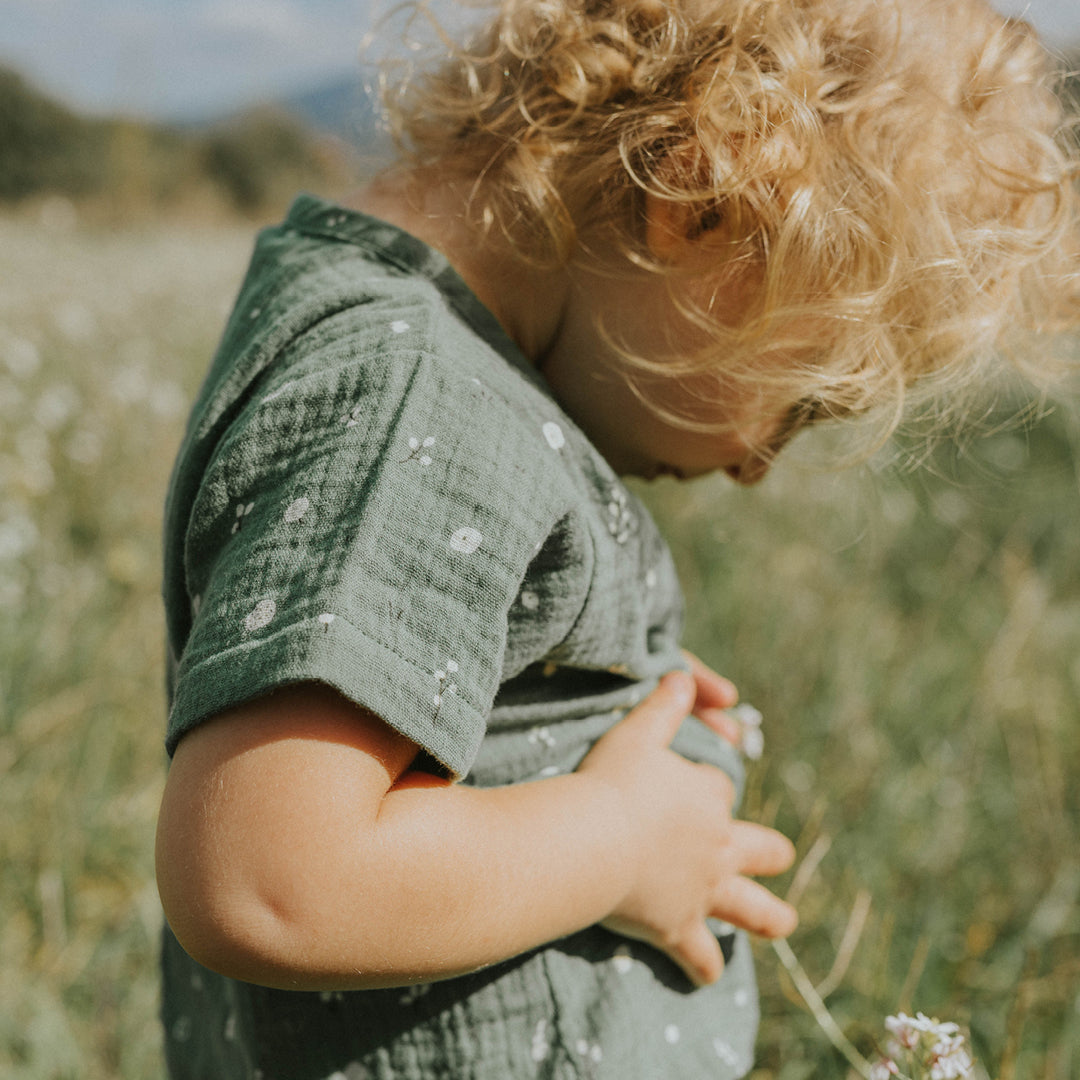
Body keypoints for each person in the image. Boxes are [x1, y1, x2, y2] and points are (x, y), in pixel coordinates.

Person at [154, 1, 1079, 1077]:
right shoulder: (418, 398)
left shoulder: (419, 365)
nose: (754, 465)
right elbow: (272, 884)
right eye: (804, 401)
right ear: (701, 202)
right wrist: (626, 844)